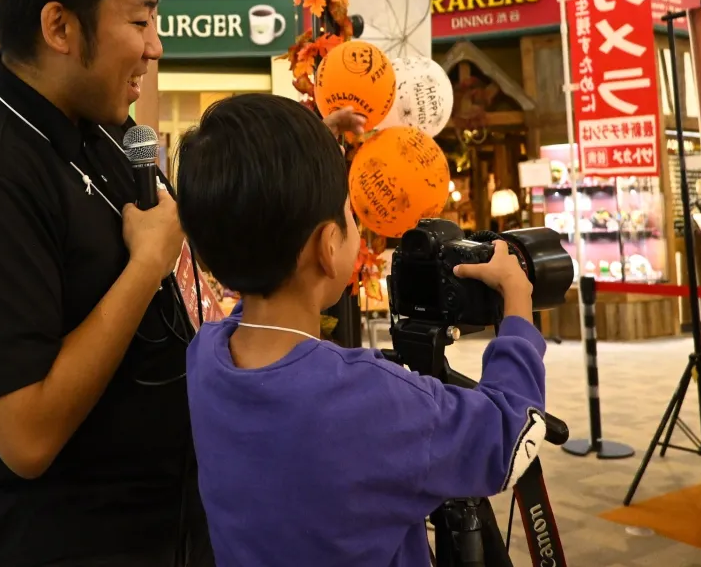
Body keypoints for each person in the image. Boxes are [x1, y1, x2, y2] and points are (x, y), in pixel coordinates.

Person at [0, 0, 362, 566]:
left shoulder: (105, 129)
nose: (155, 47)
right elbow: (26, 437)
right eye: (140, 19)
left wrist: (295, 167)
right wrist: (143, 268)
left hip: (179, 524)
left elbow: (186, 235)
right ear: (60, 27)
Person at [176, 94, 548, 567]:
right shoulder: (370, 398)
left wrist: (304, 154)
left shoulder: (206, 356)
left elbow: (249, 230)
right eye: (349, 213)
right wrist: (517, 301)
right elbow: (509, 435)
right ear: (328, 246)